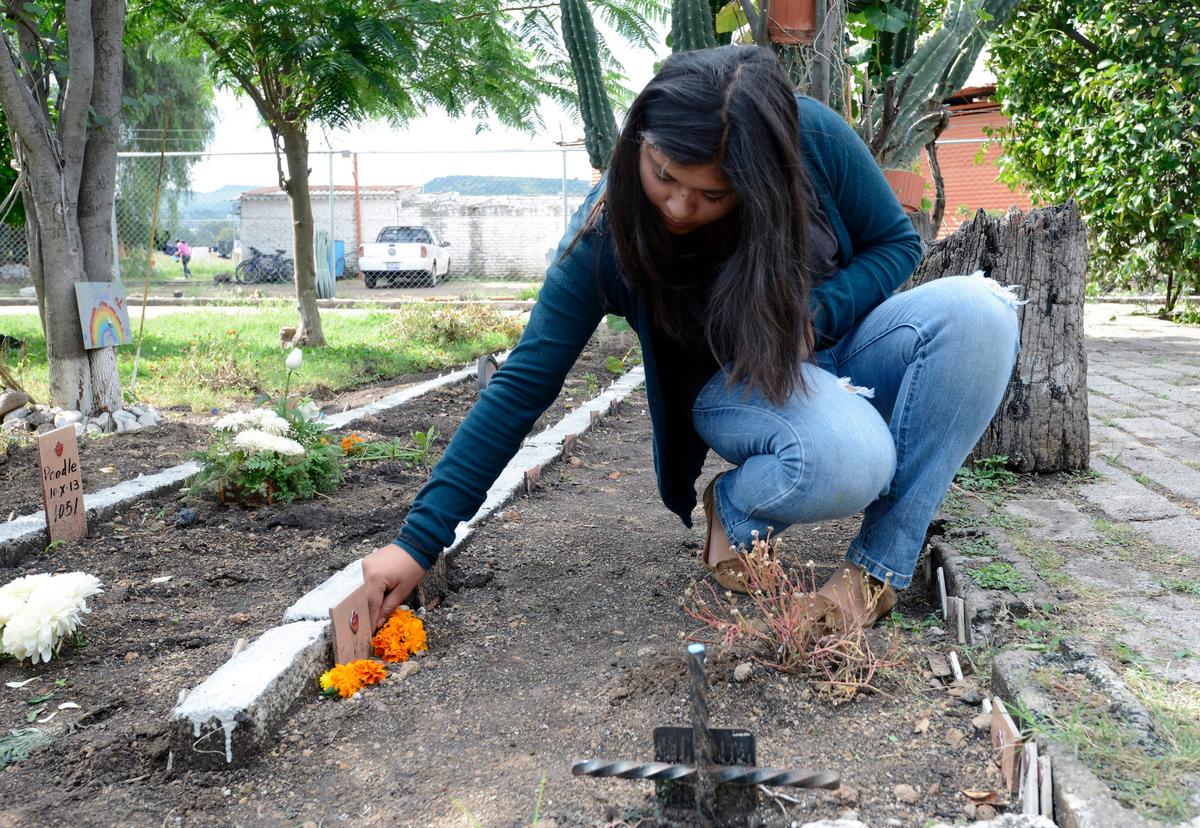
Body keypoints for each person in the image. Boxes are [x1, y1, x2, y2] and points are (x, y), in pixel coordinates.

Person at [361, 45, 1019, 633]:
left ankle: (874, 568)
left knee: (982, 311)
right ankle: (733, 512)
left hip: (839, 348)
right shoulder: (606, 237)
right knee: (853, 460)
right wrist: (418, 542)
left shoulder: (808, 137)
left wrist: (815, 315)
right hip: (742, 384)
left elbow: (894, 242)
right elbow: (524, 383)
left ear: (759, 179)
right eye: (664, 175)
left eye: (711, 194)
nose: (678, 207)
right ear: (639, 142)